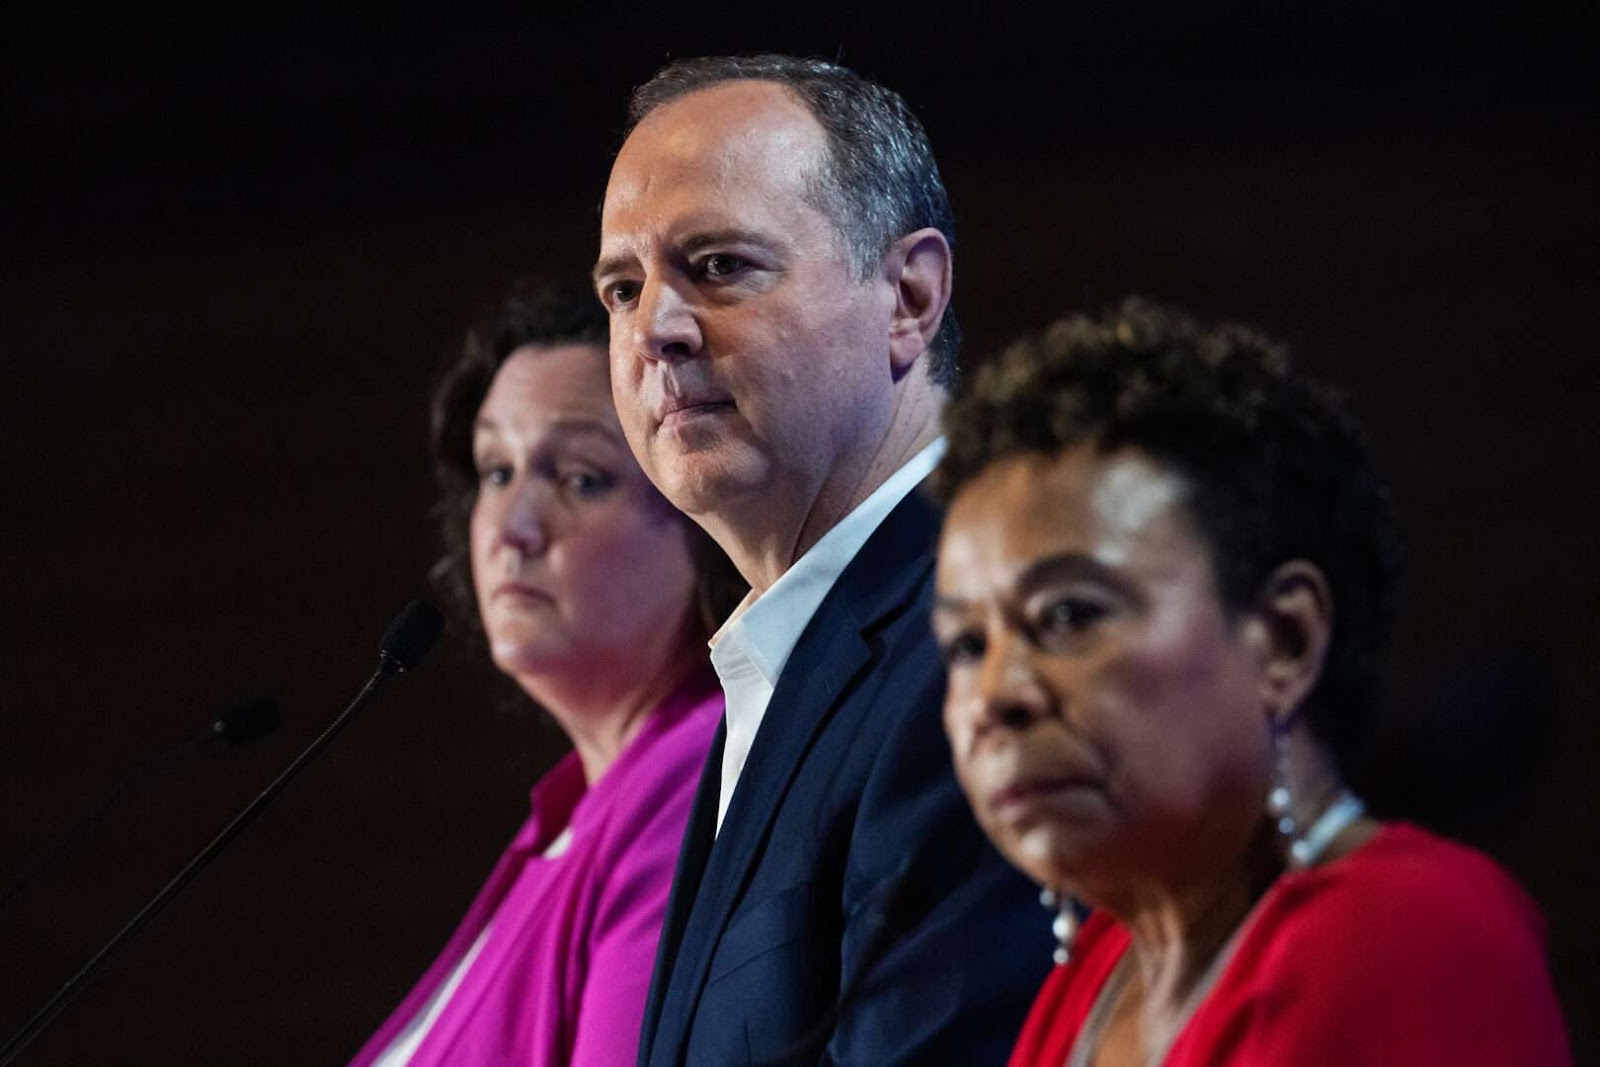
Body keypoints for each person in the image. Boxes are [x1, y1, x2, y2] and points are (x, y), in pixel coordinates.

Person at [931, 298, 1572, 1065]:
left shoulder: (1409, 933)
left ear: (1285, 640)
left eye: (1068, 613)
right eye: (967, 642)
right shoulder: (1096, 972)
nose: (996, 694)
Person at [594, 54, 1049, 1064]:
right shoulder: (792, 652)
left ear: (908, 294)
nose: (653, 330)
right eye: (622, 288)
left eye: (717, 266)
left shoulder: (973, 644)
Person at [350, 280, 743, 1066]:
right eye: (496, 470)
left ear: (700, 520)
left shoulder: (686, 783)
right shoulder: (570, 813)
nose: (511, 527)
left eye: (580, 478)